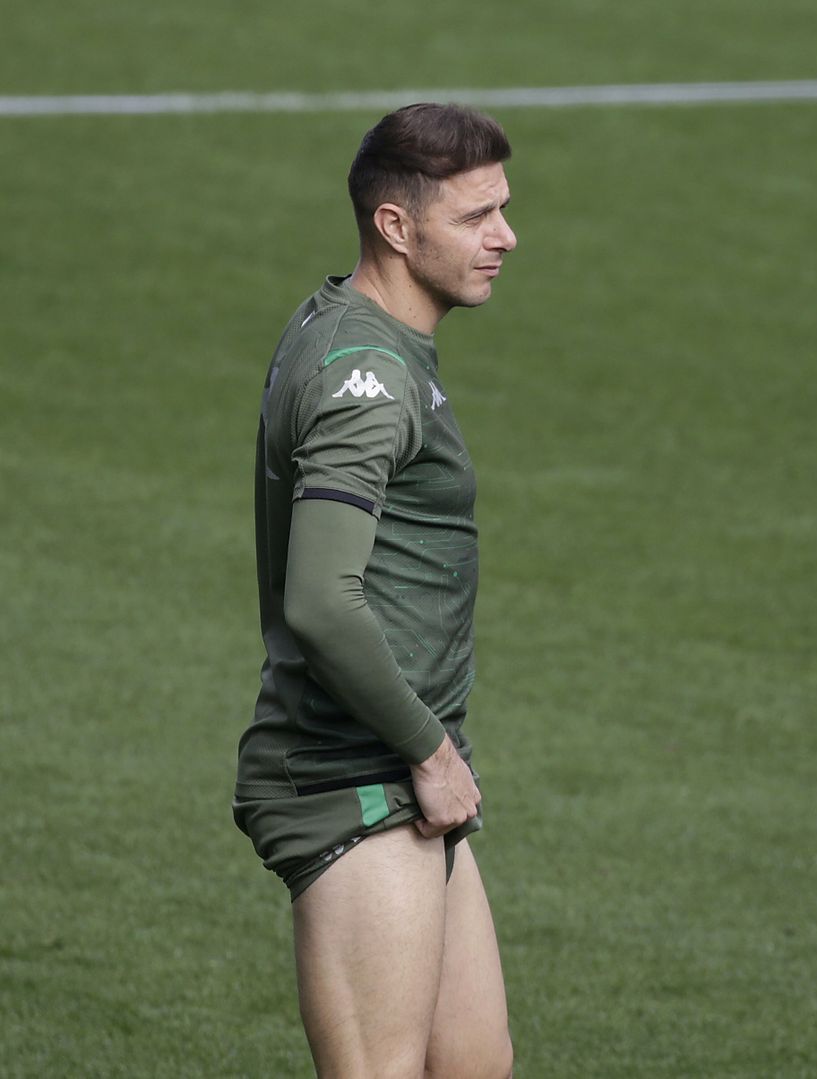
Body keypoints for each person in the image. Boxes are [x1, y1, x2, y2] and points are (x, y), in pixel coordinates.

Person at [233, 102, 518, 1077]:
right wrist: (430, 750)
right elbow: (320, 598)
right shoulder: (370, 377)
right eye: (476, 216)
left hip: (401, 767)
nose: (505, 237)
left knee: (472, 1063)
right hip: (352, 773)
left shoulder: (364, 339)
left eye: (503, 209)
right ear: (396, 227)